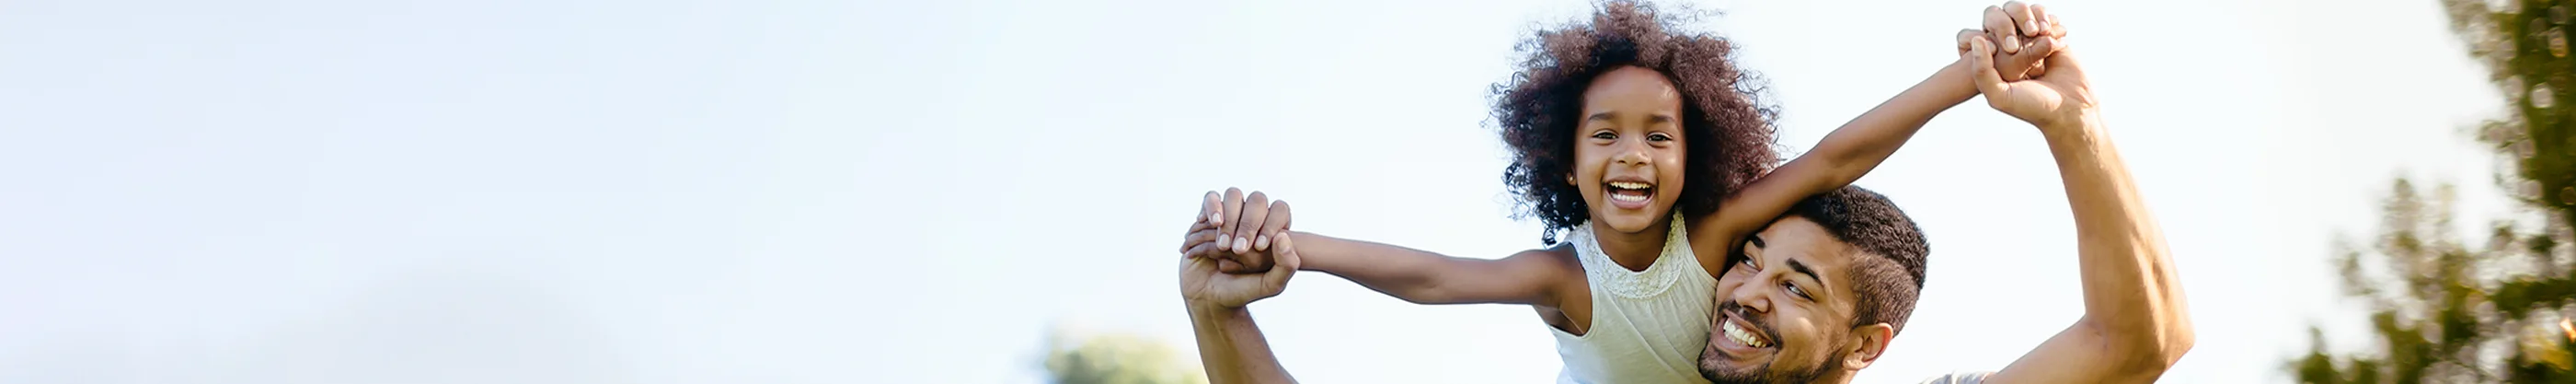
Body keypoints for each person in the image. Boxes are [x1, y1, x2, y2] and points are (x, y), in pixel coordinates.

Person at [1179, 3, 2194, 383]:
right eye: (1751, 260)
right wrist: (1222, 313)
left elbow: (2138, 342)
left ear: (1865, 347)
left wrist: (2066, 122)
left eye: (1797, 285)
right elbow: (1439, 278)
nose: (1742, 287)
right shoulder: (1586, 288)